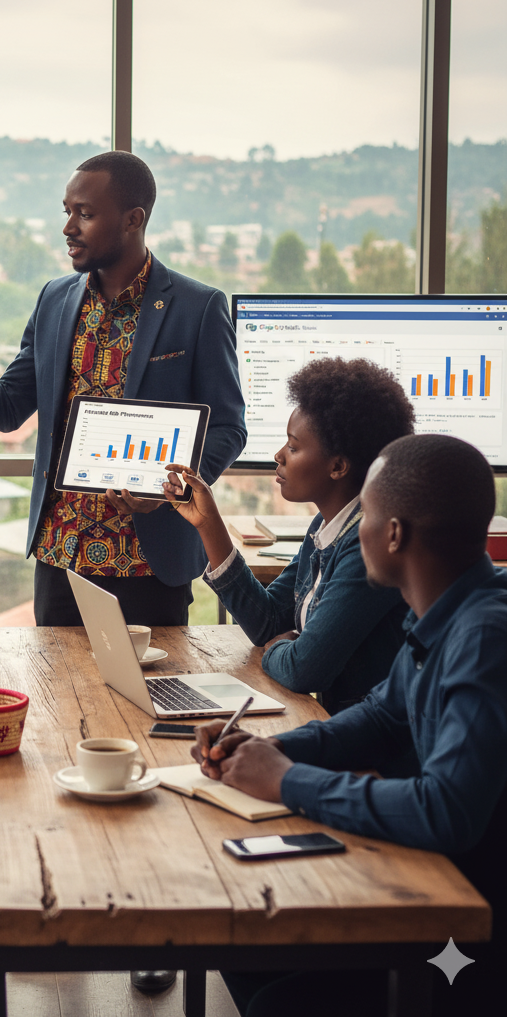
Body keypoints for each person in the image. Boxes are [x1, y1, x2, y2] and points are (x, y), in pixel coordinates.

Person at [0, 150, 246, 629]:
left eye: (86, 214)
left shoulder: (198, 308)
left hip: (148, 563)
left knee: (147, 703)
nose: (68, 227)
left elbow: (227, 428)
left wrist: (168, 488)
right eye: (67, 211)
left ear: (133, 220)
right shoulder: (55, 299)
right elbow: (10, 405)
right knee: (59, 700)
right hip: (59, 556)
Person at [192, 433, 506, 1016]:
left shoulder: (484, 638)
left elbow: (446, 811)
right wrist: (260, 751)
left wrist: (286, 781)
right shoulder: (447, 612)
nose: (356, 526)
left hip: (468, 932)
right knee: (239, 950)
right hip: (432, 880)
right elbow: (383, 717)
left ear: (393, 534)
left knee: (277, 1003)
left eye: (369, 510)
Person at [162, 357, 414, 714]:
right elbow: (268, 622)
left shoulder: (365, 546)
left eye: (294, 447)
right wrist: (209, 525)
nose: (278, 455)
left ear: (338, 466)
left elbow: (303, 669)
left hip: (375, 747)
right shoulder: (326, 527)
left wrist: (282, 650)